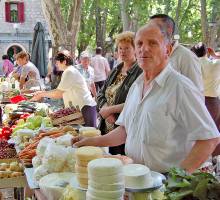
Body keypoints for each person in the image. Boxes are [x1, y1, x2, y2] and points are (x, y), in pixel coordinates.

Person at [72, 24, 220, 173]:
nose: (144, 48)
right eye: (140, 44)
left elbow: (209, 139)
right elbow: (126, 130)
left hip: (165, 185)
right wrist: (92, 141)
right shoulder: (136, 86)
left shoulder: (180, 87)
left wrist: (175, 181)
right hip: (135, 178)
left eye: (153, 43)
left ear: (167, 50)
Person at [97, 31, 143, 155]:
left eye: (127, 48)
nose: (122, 51)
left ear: (135, 49)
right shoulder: (115, 70)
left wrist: (111, 110)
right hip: (105, 127)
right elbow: (100, 94)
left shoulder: (140, 72)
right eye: (120, 48)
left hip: (124, 131)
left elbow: (138, 102)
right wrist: (106, 111)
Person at [31, 50, 97, 127]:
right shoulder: (69, 71)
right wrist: (42, 93)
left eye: (57, 62)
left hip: (85, 108)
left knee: (88, 135)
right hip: (83, 108)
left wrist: (41, 94)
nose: (56, 64)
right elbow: (60, 91)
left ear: (64, 62)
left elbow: (58, 94)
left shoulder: (69, 72)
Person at [149, 14, 204, 94]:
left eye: (153, 29)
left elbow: (196, 92)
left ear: (169, 31)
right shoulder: (150, 56)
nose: (148, 32)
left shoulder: (186, 57)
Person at [190, 43, 220, 130]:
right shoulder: (215, 64)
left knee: (197, 130)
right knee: (214, 131)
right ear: (206, 51)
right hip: (212, 102)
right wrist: (214, 55)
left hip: (196, 100)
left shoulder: (192, 64)